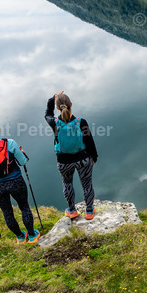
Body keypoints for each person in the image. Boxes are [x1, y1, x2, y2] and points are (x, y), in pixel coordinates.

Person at [44, 91, 98, 220]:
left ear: (58, 108)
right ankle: (89, 210)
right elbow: (89, 141)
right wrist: (94, 157)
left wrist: (52, 99)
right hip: (83, 159)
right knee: (87, 184)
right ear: (71, 104)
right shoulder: (81, 122)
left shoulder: (54, 123)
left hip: (64, 161)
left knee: (67, 183)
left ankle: (72, 210)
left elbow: (47, 114)